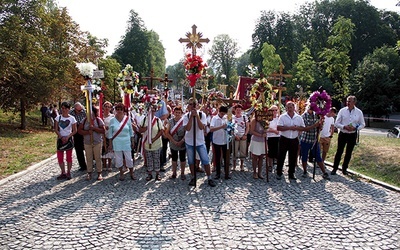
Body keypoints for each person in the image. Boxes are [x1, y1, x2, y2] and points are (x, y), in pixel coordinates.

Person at [184, 98, 216, 187]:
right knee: (191, 160)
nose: (192, 106)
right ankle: (193, 177)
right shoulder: (186, 116)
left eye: (194, 105)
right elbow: (187, 128)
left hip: (200, 141)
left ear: (197, 106)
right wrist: (191, 117)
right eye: (190, 104)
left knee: (205, 160)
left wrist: (197, 116)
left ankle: (209, 177)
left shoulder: (202, 115)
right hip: (190, 141)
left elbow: (202, 127)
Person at [331, 96, 365, 175]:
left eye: (350, 101)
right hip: (343, 133)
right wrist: (344, 126)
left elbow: (362, 124)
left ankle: (344, 168)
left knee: (348, 152)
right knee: (339, 151)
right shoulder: (342, 111)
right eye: (347, 101)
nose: (348, 103)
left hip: (352, 134)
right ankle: (335, 168)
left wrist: (355, 128)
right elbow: (336, 123)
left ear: (354, 102)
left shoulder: (359, 112)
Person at [299, 106, 330, 180]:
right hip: (305, 139)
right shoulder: (303, 116)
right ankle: (305, 171)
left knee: (318, 157)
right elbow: (305, 128)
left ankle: (324, 172)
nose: (311, 109)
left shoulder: (316, 115)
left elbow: (320, 127)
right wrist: (315, 125)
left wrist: (320, 125)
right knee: (304, 156)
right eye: (310, 107)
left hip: (314, 140)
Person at [276, 101, 305, 180]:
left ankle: (291, 173)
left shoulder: (299, 117)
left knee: (293, 156)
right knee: (281, 156)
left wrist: (296, 128)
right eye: (288, 107)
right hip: (284, 138)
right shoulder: (282, 117)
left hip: (294, 139)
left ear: (294, 108)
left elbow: (303, 127)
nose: (289, 109)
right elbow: (278, 128)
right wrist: (289, 128)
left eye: (291, 107)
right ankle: (279, 172)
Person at [108, 103, 136, 181]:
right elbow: (110, 133)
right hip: (117, 142)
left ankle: (131, 172)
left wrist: (132, 140)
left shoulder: (127, 119)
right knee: (118, 158)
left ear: (123, 110)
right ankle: (121, 173)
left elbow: (131, 130)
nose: (119, 111)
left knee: (129, 158)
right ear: (115, 110)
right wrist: (110, 144)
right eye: (117, 109)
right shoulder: (112, 120)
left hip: (126, 141)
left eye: (121, 109)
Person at [139, 99, 164, 181]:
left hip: (156, 143)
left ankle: (157, 174)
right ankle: (149, 174)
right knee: (149, 159)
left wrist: (154, 139)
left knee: (156, 159)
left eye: (153, 110)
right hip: (147, 143)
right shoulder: (144, 120)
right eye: (150, 110)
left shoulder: (157, 120)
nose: (152, 112)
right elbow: (140, 130)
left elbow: (161, 131)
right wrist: (147, 128)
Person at [78, 106, 105, 181]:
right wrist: (87, 132)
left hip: (97, 142)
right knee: (88, 157)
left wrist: (95, 129)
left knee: (98, 157)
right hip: (87, 143)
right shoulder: (84, 121)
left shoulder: (98, 120)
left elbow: (103, 130)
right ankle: (89, 172)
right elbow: (79, 131)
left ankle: (99, 172)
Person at [54, 102, 77, 180]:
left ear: (68, 109)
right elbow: (56, 129)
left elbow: (74, 130)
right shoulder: (58, 118)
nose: (64, 110)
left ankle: (68, 172)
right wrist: (60, 136)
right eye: (62, 108)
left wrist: (68, 136)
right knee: (60, 157)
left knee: (69, 157)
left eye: (65, 108)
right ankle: (63, 172)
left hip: (69, 138)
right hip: (60, 139)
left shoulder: (72, 118)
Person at [165, 106, 187, 180]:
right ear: (174, 113)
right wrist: (173, 141)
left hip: (182, 142)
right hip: (173, 142)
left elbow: (186, 132)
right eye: (176, 112)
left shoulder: (184, 121)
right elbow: (167, 133)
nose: (177, 114)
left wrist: (182, 141)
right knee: (174, 158)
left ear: (181, 113)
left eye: (179, 113)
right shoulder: (170, 121)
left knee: (182, 158)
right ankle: (174, 173)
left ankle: (182, 173)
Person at [210, 106, 230, 180]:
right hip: (217, 140)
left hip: (225, 140)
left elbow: (228, 126)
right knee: (217, 158)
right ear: (219, 111)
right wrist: (221, 127)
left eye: (224, 114)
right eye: (221, 113)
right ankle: (218, 173)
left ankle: (226, 173)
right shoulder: (214, 118)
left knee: (226, 157)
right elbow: (211, 129)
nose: (222, 115)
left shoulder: (226, 118)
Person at [248, 111, 268, 179]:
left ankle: (259, 172)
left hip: (262, 141)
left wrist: (265, 131)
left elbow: (266, 129)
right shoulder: (254, 120)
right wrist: (261, 135)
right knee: (255, 157)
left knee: (261, 157)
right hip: (256, 140)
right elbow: (252, 131)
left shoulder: (265, 120)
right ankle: (254, 172)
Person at [69, 102, 87, 171]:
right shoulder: (71, 113)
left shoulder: (84, 112)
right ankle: (82, 165)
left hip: (84, 129)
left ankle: (90, 162)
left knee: (87, 147)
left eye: (80, 110)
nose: (80, 111)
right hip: (76, 130)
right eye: (78, 110)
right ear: (75, 109)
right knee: (78, 149)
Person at [232, 104, 249, 172]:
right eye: (237, 110)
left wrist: (245, 134)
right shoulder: (233, 118)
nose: (238, 111)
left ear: (241, 110)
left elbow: (247, 127)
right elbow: (231, 128)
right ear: (235, 110)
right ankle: (234, 166)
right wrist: (235, 135)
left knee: (243, 151)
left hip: (243, 136)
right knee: (234, 151)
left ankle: (241, 165)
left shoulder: (245, 117)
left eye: (239, 110)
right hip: (235, 136)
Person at [102, 101, 114, 172]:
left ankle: (109, 164)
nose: (107, 108)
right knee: (103, 150)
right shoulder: (100, 115)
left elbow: (114, 125)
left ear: (110, 108)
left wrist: (109, 127)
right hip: (102, 135)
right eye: (105, 106)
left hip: (110, 135)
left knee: (110, 149)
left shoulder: (112, 116)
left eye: (108, 107)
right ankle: (104, 164)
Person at [266, 105, 280, 173]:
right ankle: (270, 165)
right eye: (273, 110)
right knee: (271, 151)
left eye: (275, 110)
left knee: (278, 151)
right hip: (271, 137)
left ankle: (278, 166)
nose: (274, 111)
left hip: (278, 137)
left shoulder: (279, 118)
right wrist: (274, 131)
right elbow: (266, 128)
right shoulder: (268, 119)